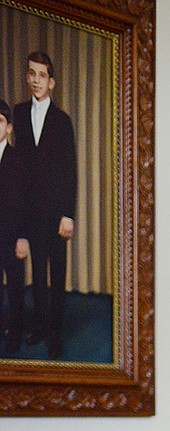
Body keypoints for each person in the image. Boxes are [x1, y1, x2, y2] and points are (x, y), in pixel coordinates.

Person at [13, 50, 76, 358]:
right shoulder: (19, 115)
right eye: (31, 73)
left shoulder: (63, 121)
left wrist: (68, 215)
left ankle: (56, 334)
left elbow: (70, 170)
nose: (36, 80)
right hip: (32, 211)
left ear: (52, 82)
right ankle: (38, 327)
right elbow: (20, 169)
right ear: (27, 78)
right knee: (37, 272)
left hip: (56, 212)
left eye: (42, 75)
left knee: (57, 272)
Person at [0, 99, 29, 356]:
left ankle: (15, 335)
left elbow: (25, 202)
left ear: (8, 127)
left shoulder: (18, 159)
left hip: (12, 237)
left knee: (17, 287)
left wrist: (23, 237)